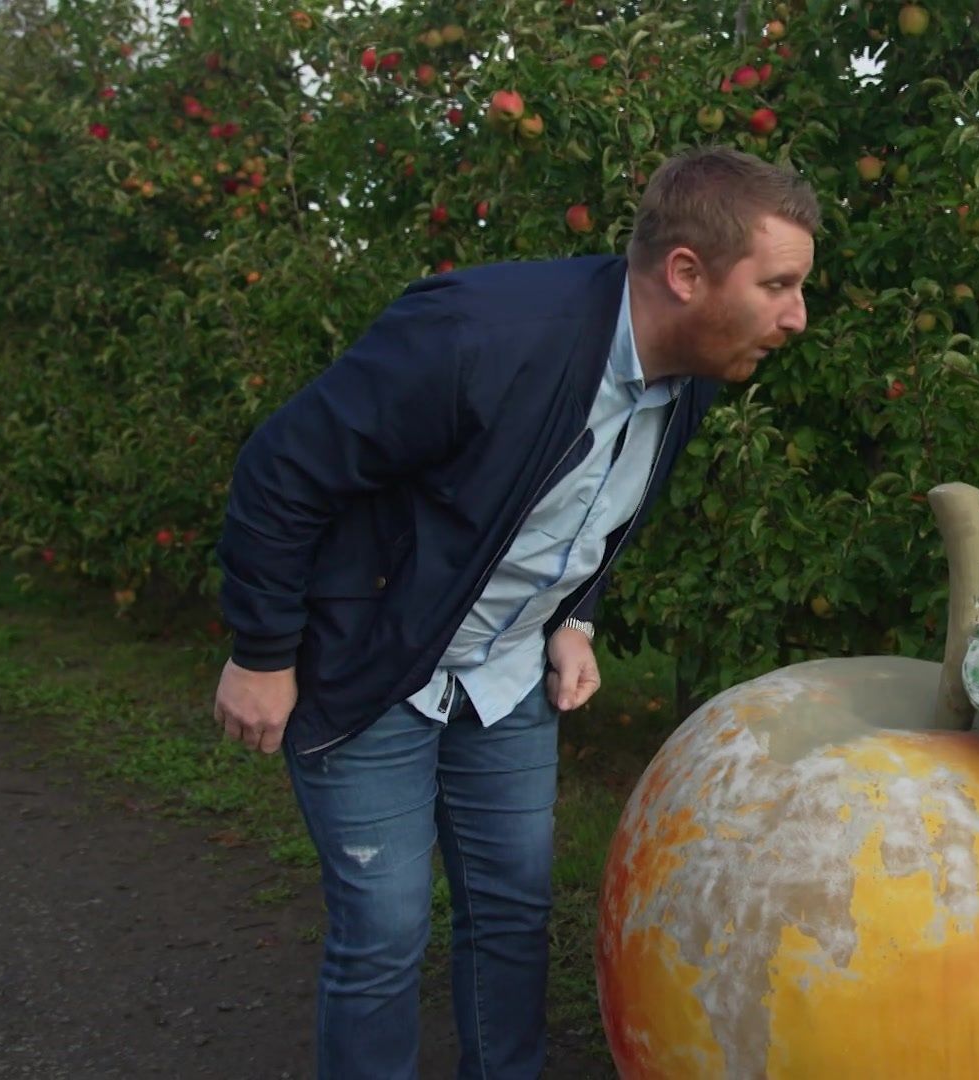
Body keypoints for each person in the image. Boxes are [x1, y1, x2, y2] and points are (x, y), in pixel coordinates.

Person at [208, 145, 817, 1079]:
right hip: (377, 664)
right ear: (686, 274)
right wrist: (261, 653)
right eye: (777, 284)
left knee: (513, 911)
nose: (796, 316)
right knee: (384, 931)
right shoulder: (477, 338)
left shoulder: (691, 379)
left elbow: (598, 510)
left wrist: (577, 616)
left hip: (504, 674)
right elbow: (282, 471)